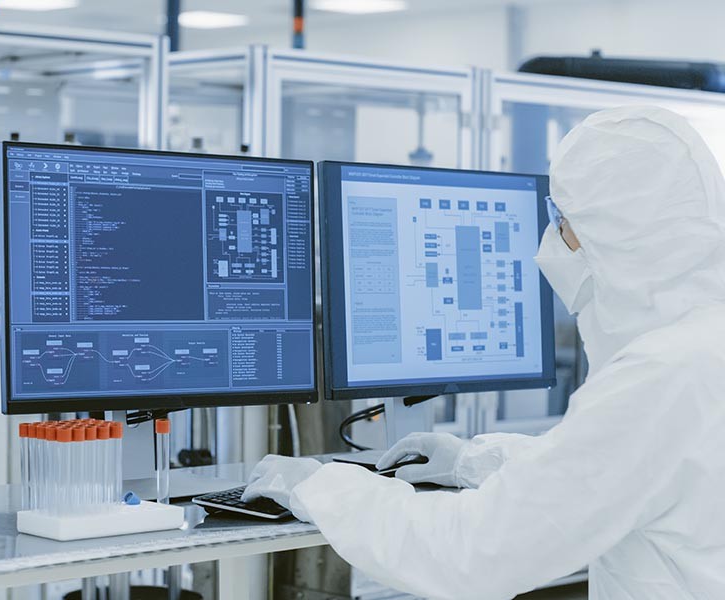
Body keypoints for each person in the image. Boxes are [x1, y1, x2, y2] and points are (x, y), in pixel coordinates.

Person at [243, 106, 725, 599]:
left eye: (561, 219)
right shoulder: (701, 345)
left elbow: (472, 555)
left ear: (608, 234)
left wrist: (319, 488)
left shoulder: (658, 377)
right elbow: (615, 470)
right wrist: (473, 460)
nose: (553, 238)